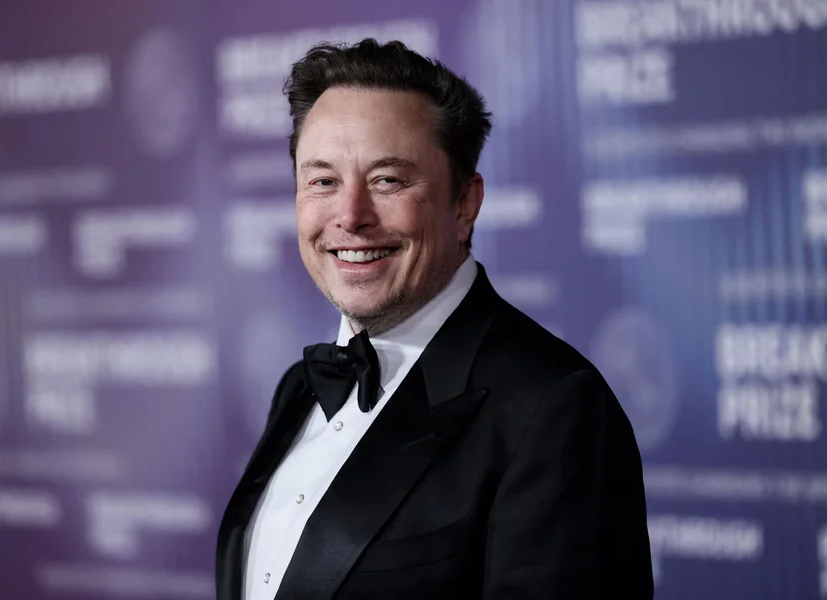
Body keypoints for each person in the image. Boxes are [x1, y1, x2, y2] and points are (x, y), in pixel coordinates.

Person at [216, 38, 653, 600]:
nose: (350, 216)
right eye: (323, 181)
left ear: (465, 203)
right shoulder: (298, 388)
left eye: (388, 180)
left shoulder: (554, 409)